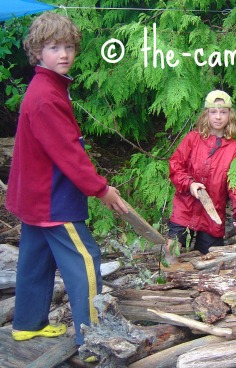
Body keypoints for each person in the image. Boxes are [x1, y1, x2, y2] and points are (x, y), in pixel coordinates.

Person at [5, 12, 128, 352]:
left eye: (69, 47)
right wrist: (100, 188)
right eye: (53, 47)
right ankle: (94, 340)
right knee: (85, 261)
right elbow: (68, 153)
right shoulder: (46, 95)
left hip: (34, 197)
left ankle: (28, 325)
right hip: (52, 199)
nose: (64, 54)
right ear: (36, 52)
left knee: (35, 259)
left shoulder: (46, 87)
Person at [166, 90, 236, 261]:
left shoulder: (233, 148)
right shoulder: (192, 139)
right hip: (185, 206)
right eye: (213, 112)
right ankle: (165, 280)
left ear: (230, 116)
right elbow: (175, 166)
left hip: (212, 213)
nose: (218, 117)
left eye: (223, 112)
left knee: (211, 259)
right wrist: (190, 184)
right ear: (207, 114)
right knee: (172, 249)